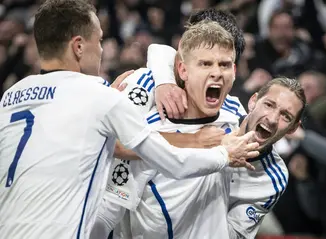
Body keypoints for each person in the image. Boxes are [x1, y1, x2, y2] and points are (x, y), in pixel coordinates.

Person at [0, 1, 260, 239]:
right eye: (99, 41)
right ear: (78, 46)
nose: (102, 50)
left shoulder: (11, 95)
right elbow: (167, 160)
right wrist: (217, 151)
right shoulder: (102, 96)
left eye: (224, 65)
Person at [92, 19, 251, 239]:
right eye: (205, 64)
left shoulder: (235, 119)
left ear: (234, 71)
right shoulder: (147, 126)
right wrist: (195, 141)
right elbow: (108, 211)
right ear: (182, 70)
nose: (216, 73)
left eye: (224, 65)